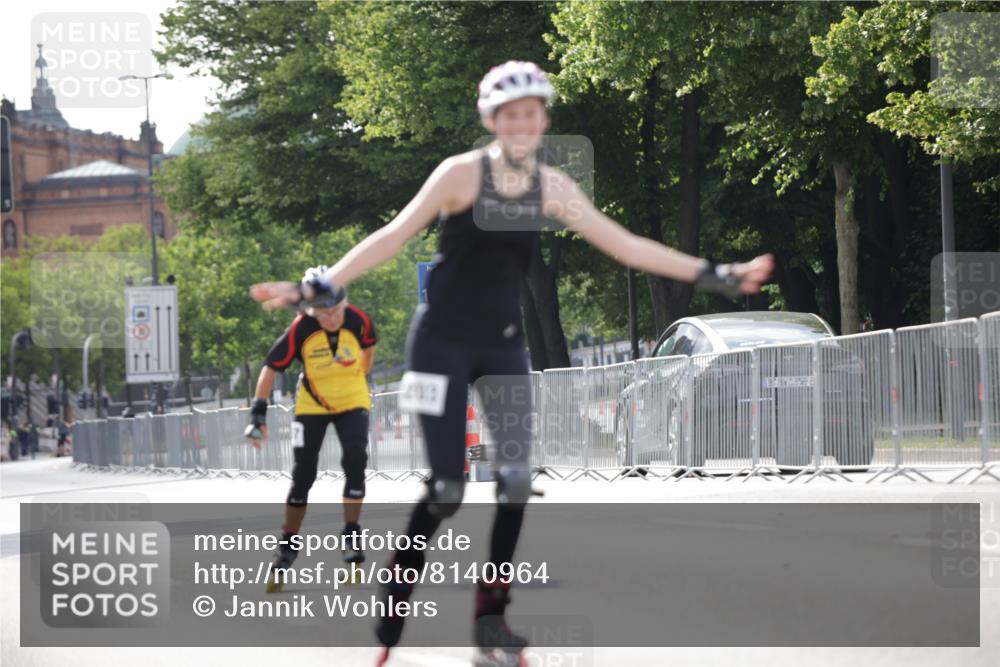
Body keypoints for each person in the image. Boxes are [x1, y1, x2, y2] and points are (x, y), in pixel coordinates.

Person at [251, 60, 773, 666]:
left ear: (543, 120)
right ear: (491, 120)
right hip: (439, 345)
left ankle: (491, 624)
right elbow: (393, 235)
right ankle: (393, 613)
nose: (522, 124)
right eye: (509, 115)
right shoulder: (460, 176)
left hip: (502, 345)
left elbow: (626, 245)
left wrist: (717, 274)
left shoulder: (552, 188)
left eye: (532, 114)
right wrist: (323, 284)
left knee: (517, 482)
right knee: (446, 489)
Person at [246, 267, 378, 593]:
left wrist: (349, 383)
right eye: (324, 313)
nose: (332, 318)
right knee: (303, 473)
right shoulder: (300, 329)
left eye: (337, 311)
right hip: (312, 405)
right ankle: (287, 546)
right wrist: (257, 414)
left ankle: (351, 534)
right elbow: (270, 369)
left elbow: (367, 357)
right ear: (309, 310)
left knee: (356, 460)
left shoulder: (359, 321)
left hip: (352, 400)